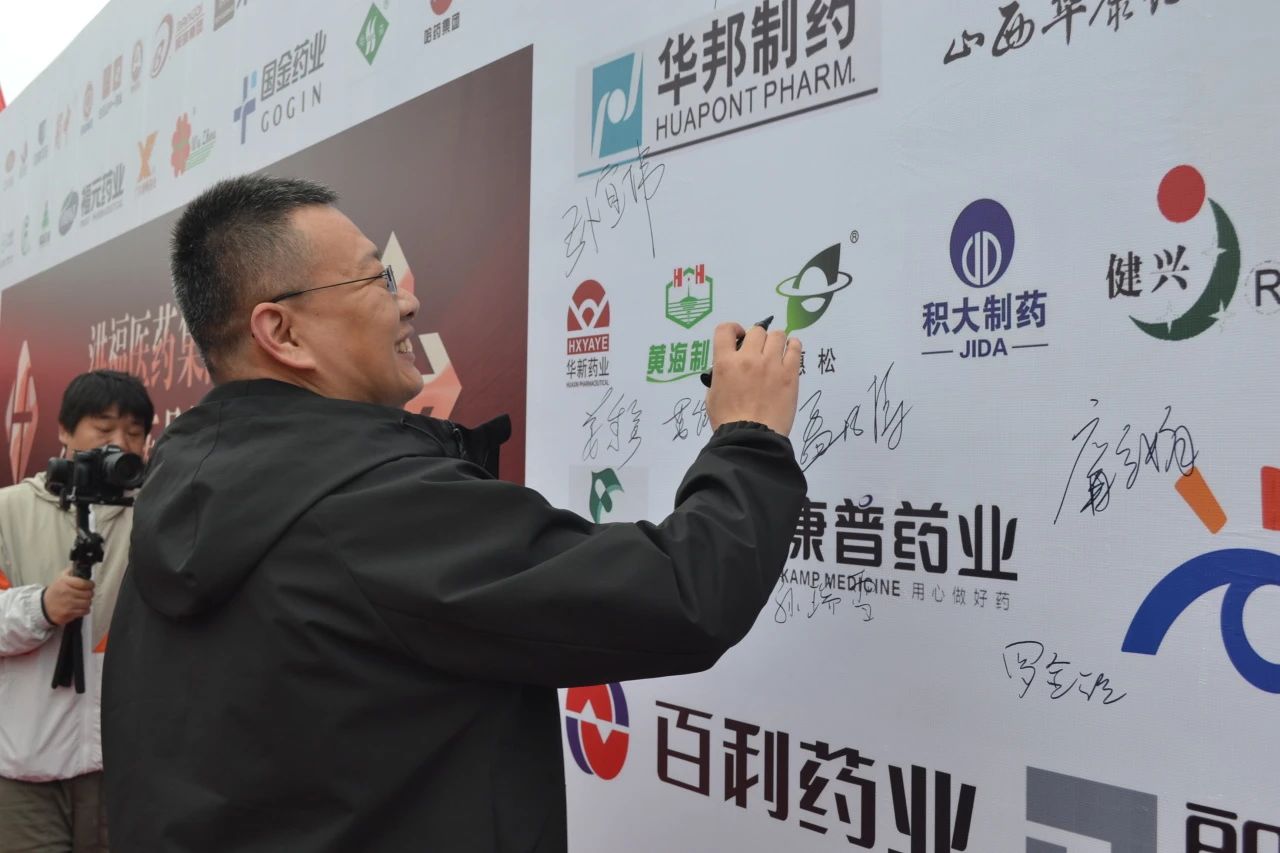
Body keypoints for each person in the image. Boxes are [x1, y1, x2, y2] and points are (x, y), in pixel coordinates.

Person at [102, 174, 807, 853]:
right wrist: (749, 434)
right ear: (281, 332)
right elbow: (681, 592)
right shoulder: (366, 509)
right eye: (377, 279)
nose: (408, 302)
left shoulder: (187, 484)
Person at [0, 370, 154, 853]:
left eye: (134, 432)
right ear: (64, 430)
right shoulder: (7, 510)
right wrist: (41, 608)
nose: (120, 443)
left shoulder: (156, 514)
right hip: (22, 767)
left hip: (119, 767)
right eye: (104, 428)